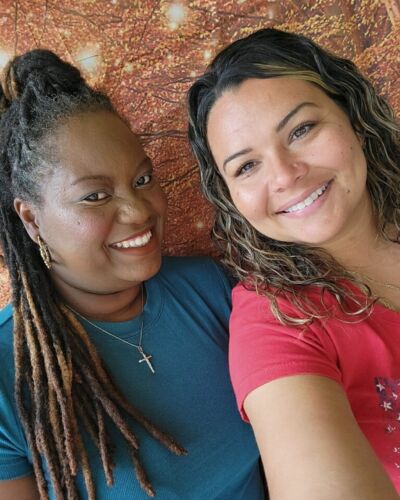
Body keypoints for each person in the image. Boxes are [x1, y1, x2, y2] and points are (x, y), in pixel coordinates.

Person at [0, 49, 265, 500]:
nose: (139, 211)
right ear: (32, 219)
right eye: (95, 196)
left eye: (142, 180)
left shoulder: (215, 290)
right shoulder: (10, 370)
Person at [187, 27, 400, 499]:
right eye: (247, 166)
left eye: (301, 130)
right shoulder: (276, 321)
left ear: (353, 117)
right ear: (231, 197)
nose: (285, 175)